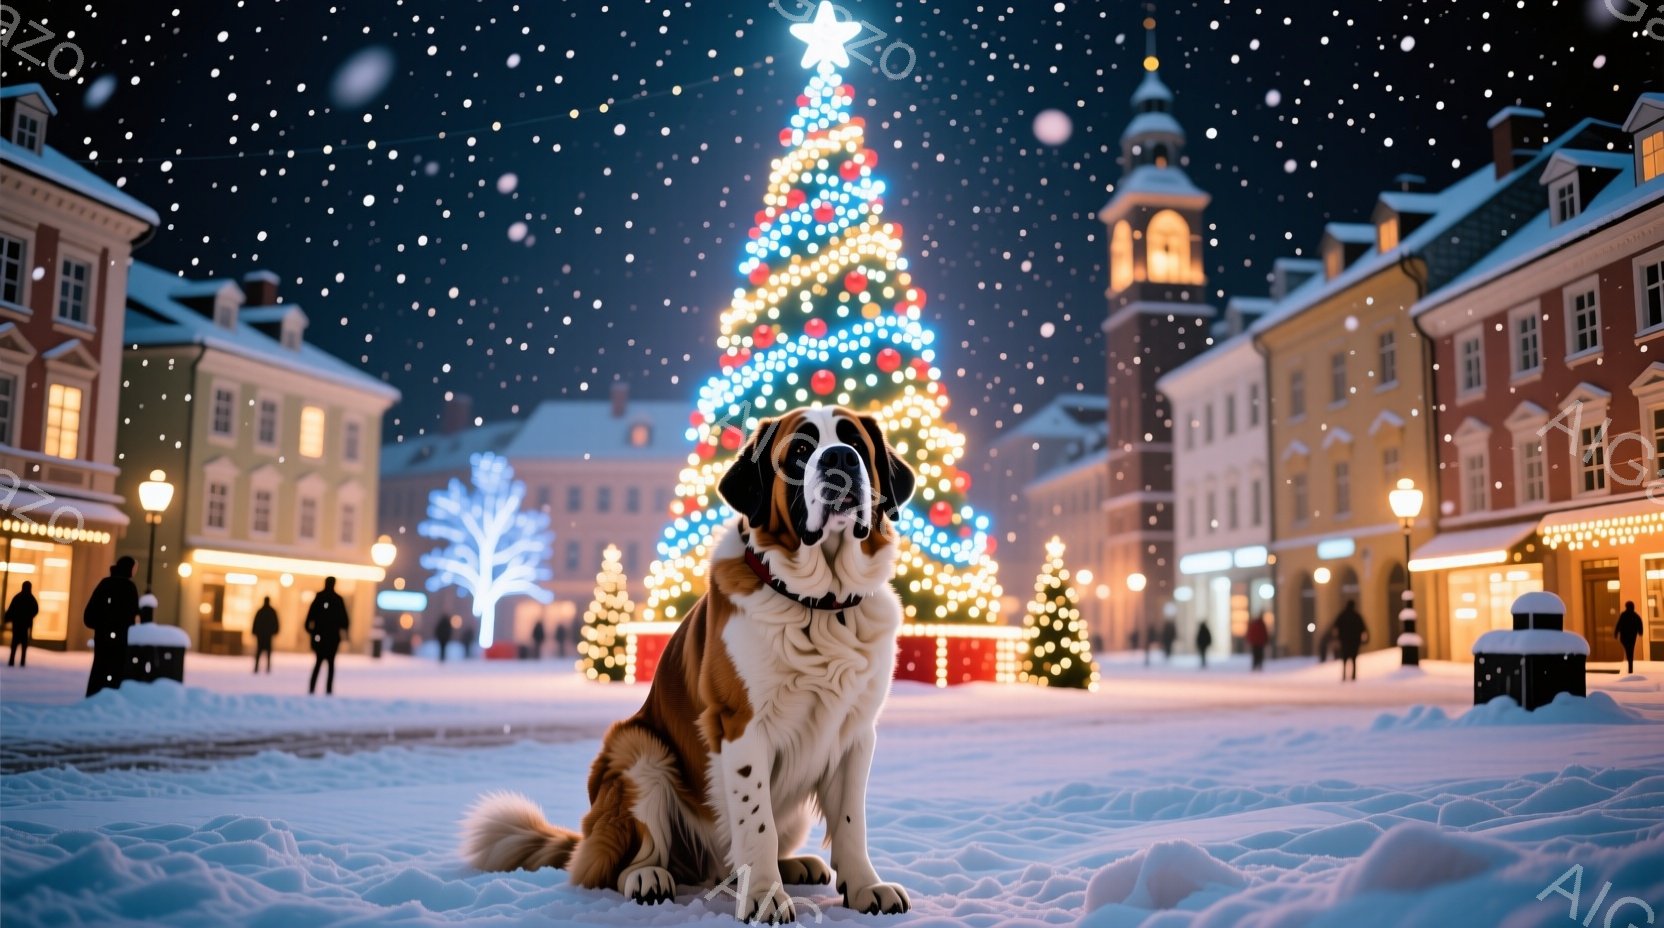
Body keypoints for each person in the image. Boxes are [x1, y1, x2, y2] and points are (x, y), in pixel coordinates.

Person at [84, 557, 140, 696]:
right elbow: (134, 613)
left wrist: (102, 624)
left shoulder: (106, 584)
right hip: (122, 637)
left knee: (100, 667)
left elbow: (90, 612)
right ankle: (111, 698)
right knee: (117, 669)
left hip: (103, 635)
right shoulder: (129, 587)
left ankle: (94, 696)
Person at [305, 577, 349, 695]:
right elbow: (345, 620)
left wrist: (311, 630)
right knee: (330, 664)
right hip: (332, 638)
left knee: (319, 663)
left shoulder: (320, 597)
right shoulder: (337, 599)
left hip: (321, 636)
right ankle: (328, 690)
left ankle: (313, 688)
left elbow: (310, 617)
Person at [1333, 599, 1369, 682]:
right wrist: (1365, 639)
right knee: (1353, 659)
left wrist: (1336, 638)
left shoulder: (1342, 615)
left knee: (1344, 658)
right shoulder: (1357, 616)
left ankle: (1344, 676)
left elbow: (1335, 627)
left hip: (1344, 640)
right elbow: (1363, 628)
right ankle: (1353, 676)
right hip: (1355, 641)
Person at [5, 581, 39, 667]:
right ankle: (22, 662)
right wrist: (29, 616)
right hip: (25, 625)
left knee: (15, 643)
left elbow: (11, 609)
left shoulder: (17, 597)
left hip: (17, 625)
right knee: (24, 644)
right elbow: (35, 610)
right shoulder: (31, 599)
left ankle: (12, 661)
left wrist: (10, 617)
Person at [252, 596, 280, 674]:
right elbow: (275, 623)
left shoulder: (260, 611)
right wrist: (275, 631)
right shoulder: (271, 611)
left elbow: (256, 622)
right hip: (267, 635)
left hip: (261, 635)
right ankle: (267, 668)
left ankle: (257, 668)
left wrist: (255, 631)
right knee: (267, 652)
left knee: (259, 652)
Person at [1616, 601, 1643, 675]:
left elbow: (1619, 624)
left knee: (1629, 651)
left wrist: (1616, 632)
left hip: (1625, 637)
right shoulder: (1634, 615)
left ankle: (1630, 664)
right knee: (1630, 650)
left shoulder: (1624, 615)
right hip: (1631, 636)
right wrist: (1640, 632)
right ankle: (1630, 665)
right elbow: (1639, 623)